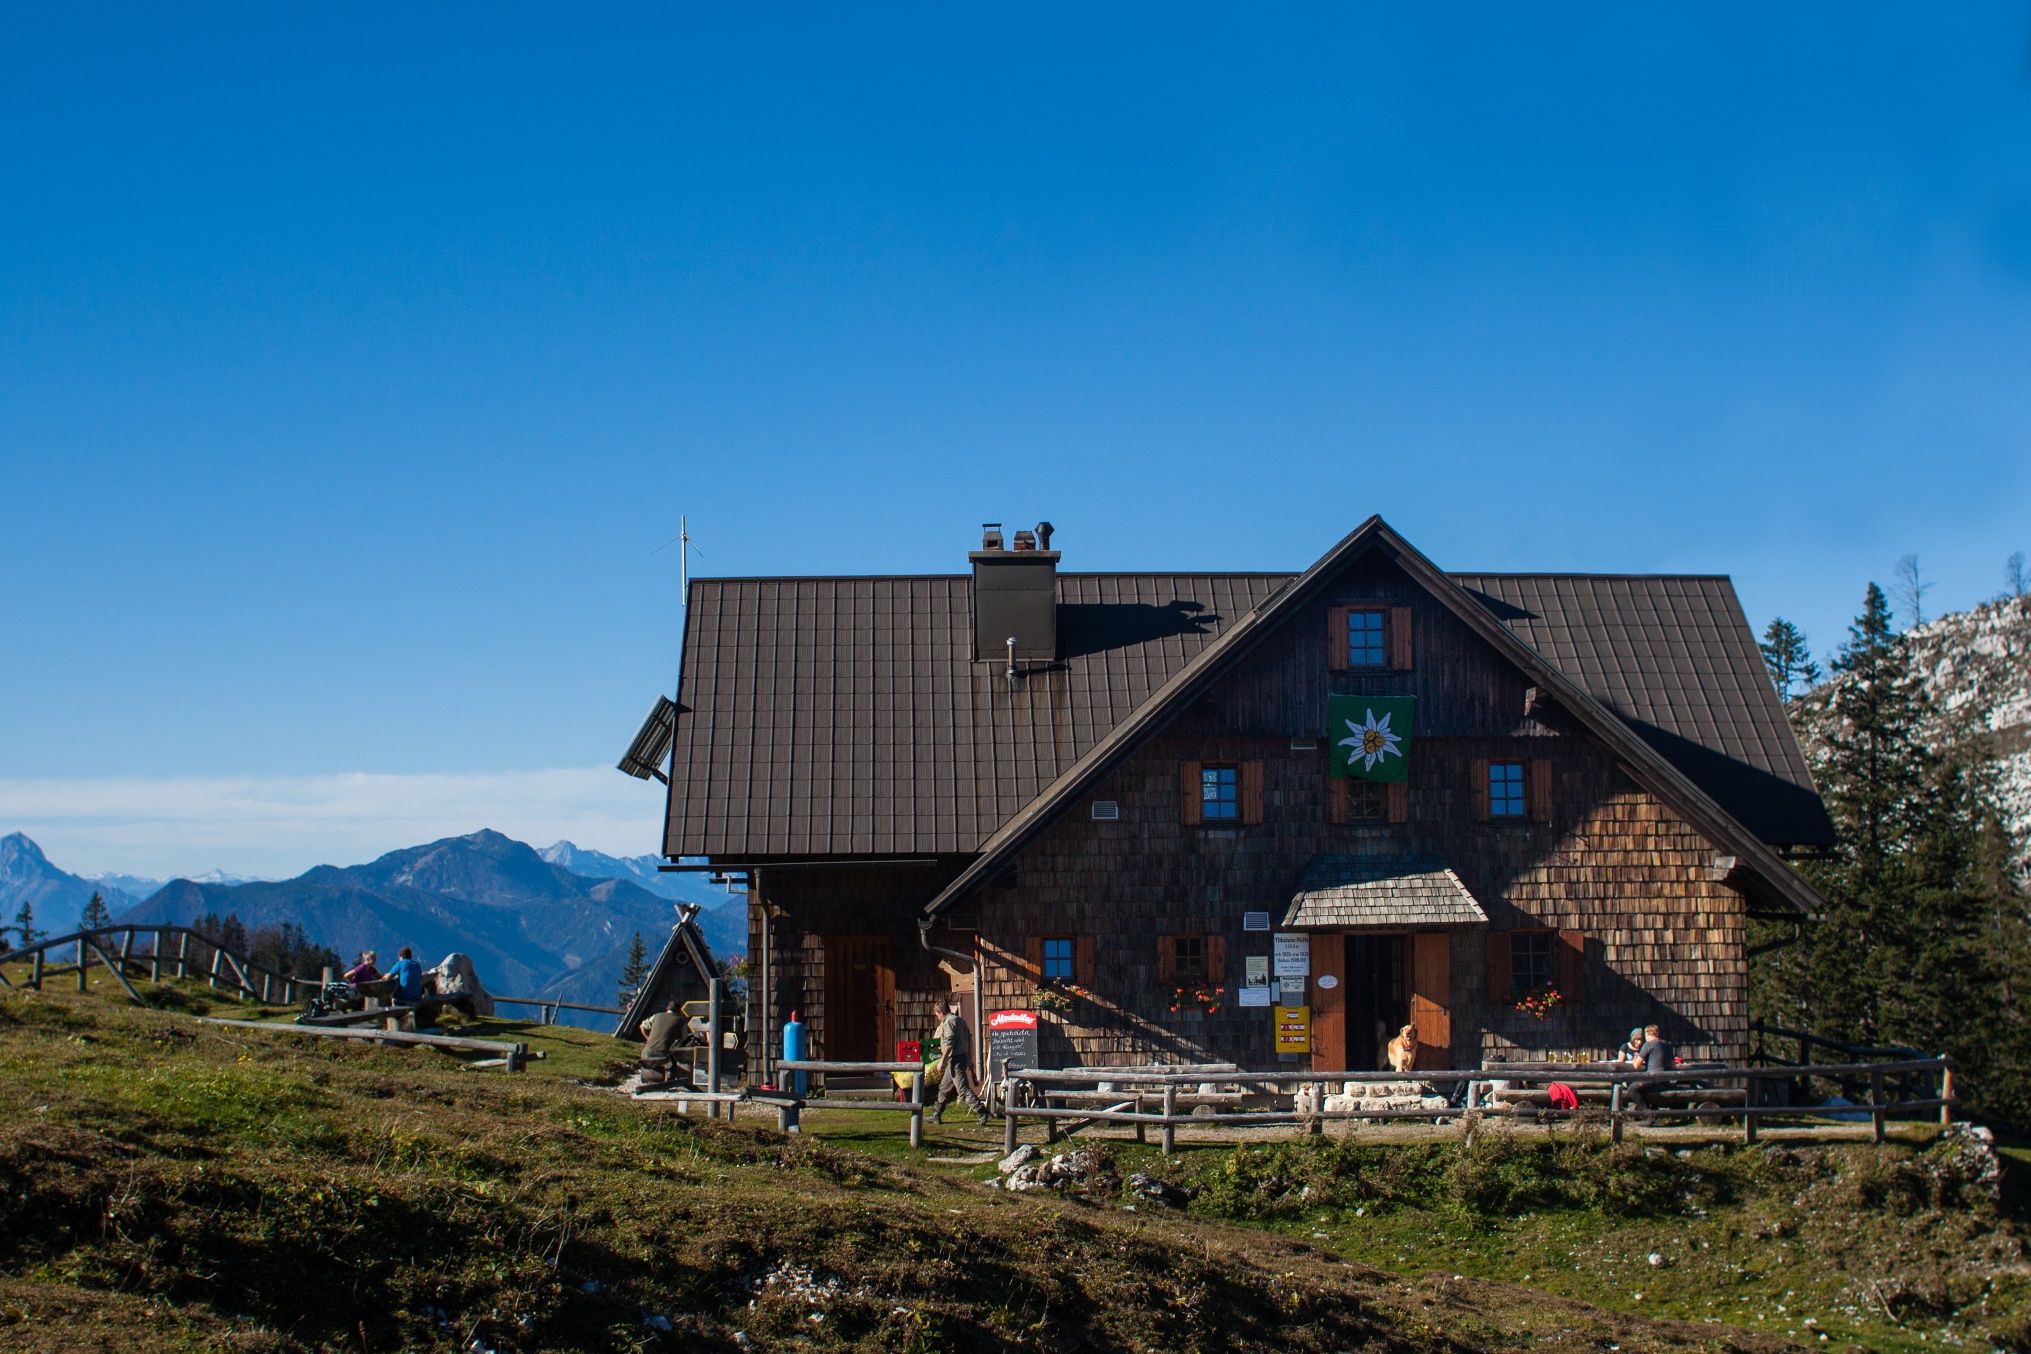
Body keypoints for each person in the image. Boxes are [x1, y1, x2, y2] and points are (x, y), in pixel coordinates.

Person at [931, 997, 989, 1125]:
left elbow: (949, 1044)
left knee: (963, 1090)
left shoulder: (949, 1022)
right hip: (961, 1058)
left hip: (955, 1060)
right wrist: (969, 1057)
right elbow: (969, 1039)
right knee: (944, 1087)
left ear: (941, 1012)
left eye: (937, 1014)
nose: (937, 1017)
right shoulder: (960, 1020)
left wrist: (941, 1061)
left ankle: (983, 1112)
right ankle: (936, 1114)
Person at [636, 1000, 684, 1089]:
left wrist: (648, 1038)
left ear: (667, 1008)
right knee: (673, 1059)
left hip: (647, 1053)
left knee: (654, 1060)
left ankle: (650, 1077)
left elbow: (642, 1026)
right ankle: (669, 1082)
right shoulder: (680, 1021)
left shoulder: (657, 1016)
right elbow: (683, 1039)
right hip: (663, 1055)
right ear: (679, 1010)